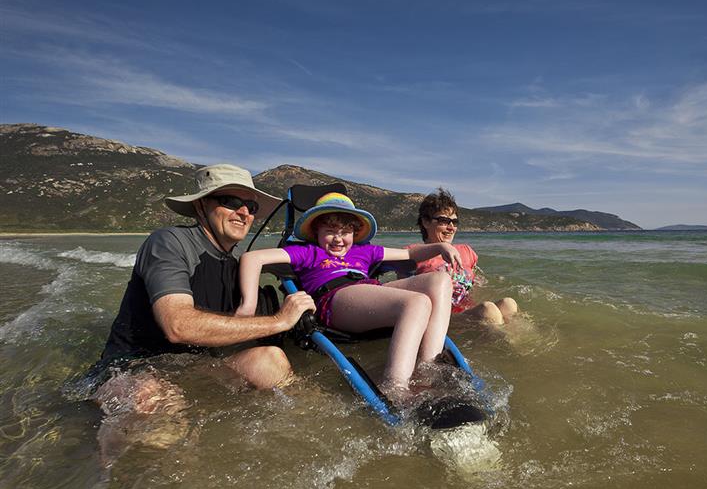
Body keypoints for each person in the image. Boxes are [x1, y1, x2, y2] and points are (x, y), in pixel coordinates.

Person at [84, 164, 317, 424]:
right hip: (135, 367)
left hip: (196, 366)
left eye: (251, 208)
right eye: (230, 202)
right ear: (201, 206)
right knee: (153, 399)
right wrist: (279, 320)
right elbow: (178, 326)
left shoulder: (240, 263)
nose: (243, 213)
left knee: (270, 361)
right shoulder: (169, 242)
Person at [237, 192, 461, 401]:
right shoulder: (308, 251)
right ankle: (395, 388)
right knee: (418, 302)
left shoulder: (364, 251)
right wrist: (248, 306)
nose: (338, 239)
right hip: (335, 299)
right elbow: (251, 258)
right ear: (316, 232)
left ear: (355, 232)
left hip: (368, 293)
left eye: (345, 232)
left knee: (439, 280)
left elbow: (411, 254)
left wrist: (440, 247)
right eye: (330, 231)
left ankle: (428, 369)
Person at [413, 188, 518, 325]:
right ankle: (508, 344)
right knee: (488, 310)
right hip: (442, 318)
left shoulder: (466, 251)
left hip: (468, 311)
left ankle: (520, 343)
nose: (451, 227)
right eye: (444, 221)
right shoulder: (413, 253)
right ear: (426, 222)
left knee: (508, 303)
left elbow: (474, 281)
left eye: (454, 222)